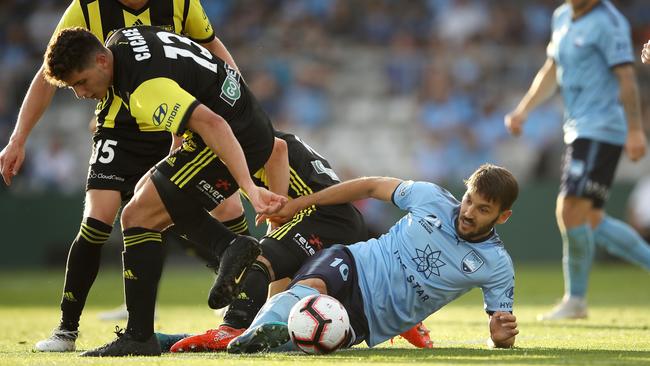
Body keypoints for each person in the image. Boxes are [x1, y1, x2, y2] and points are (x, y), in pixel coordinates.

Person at [0, 0, 254, 354]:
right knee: (98, 219)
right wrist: (18, 137)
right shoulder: (87, 9)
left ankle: (244, 310)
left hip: (178, 121)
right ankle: (67, 329)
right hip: (119, 129)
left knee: (226, 208)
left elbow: (212, 49)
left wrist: (239, 100)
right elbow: (50, 73)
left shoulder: (182, 3)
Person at [42, 26, 287, 356]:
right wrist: (174, 152)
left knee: (137, 215)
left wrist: (250, 188)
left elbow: (213, 124)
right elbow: (181, 79)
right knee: (147, 196)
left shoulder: (143, 89)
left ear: (101, 60)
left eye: (81, 81)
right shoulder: (122, 38)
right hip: (241, 118)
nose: (81, 93)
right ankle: (227, 246)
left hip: (235, 135)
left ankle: (140, 335)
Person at [164, 131, 433, 352]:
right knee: (277, 293)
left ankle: (230, 329)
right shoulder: (243, 129)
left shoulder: (232, 135)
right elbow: (228, 207)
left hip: (321, 214)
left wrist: (277, 210)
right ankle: (402, 319)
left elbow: (277, 149)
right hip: (336, 217)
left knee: (255, 260)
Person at [224, 164, 520, 353]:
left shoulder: (497, 265)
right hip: (354, 262)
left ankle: (258, 338)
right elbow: (369, 185)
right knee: (311, 287)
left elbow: (501, 329)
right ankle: (248, 336)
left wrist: (499, 338)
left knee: (313, 337)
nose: (468, 212)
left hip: (369, 318)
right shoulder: (429, 197)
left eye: (483, 210)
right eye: (469, 199)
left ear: (503, 217)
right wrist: (299, 205)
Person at [505, 0, 650, 321]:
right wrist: (523, 109)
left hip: (600, 130)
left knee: (569, 209)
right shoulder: (561, 17)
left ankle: (576, 300)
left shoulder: (610, 22)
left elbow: (626, 77)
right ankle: (578, 300)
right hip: (576, 129)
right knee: (591, 220)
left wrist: (636, 129)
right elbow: (552, 69)